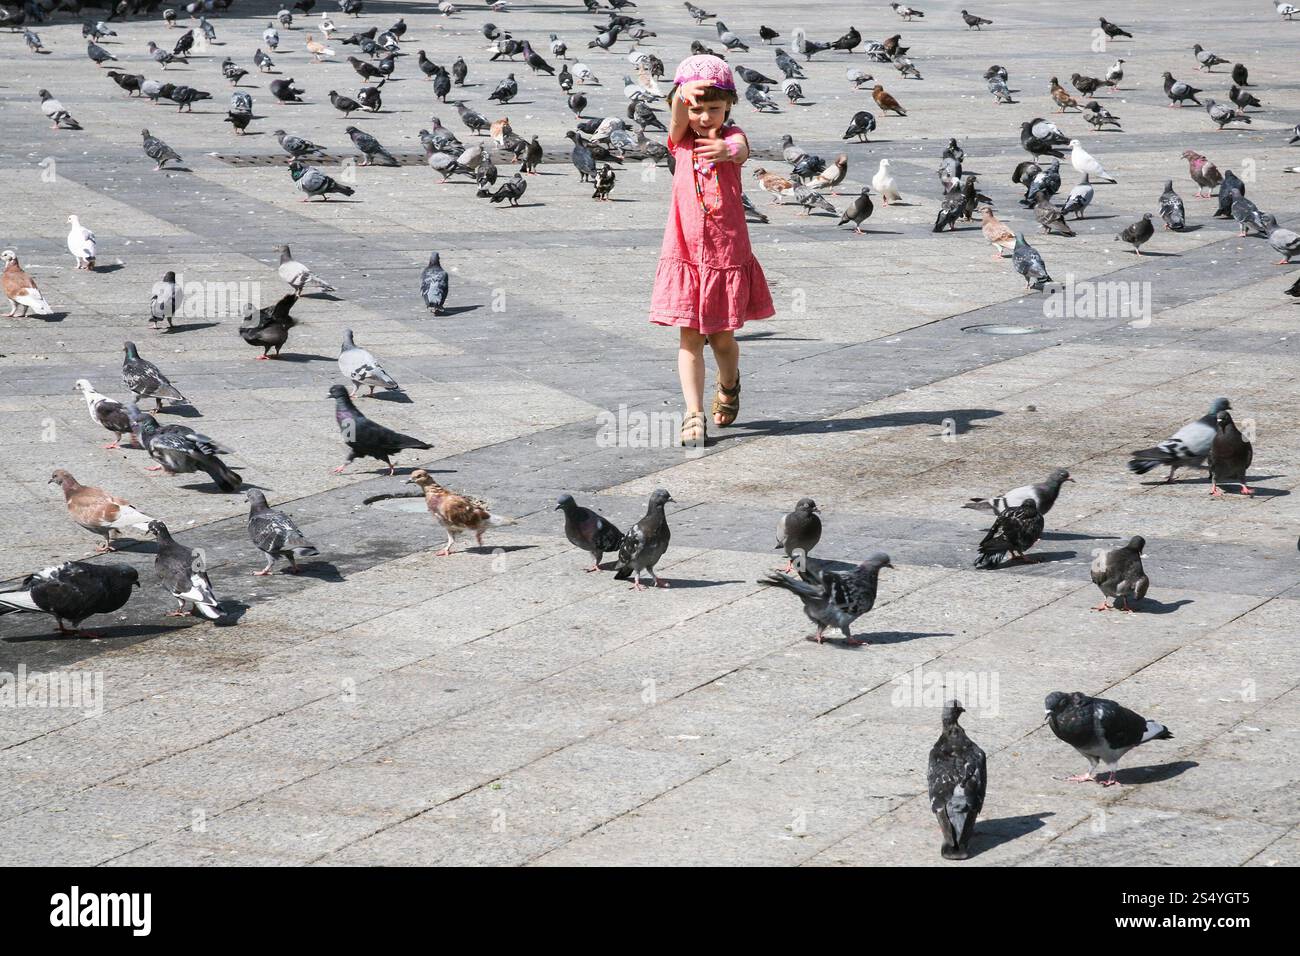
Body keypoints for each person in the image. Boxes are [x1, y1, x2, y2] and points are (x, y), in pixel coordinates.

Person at [649, 54, 775, 447]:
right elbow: (676, 119)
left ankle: (730, 382)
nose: (705, 117)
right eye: (697, 108)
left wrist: (726, 151)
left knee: (721, 339)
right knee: (689, 338)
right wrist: (679, 96)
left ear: (729, 106)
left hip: (723, 252)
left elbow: (739, 150)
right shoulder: (681, 139)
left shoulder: (733, 136)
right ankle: (693, 413)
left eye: (714, 109)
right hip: (686, 251)